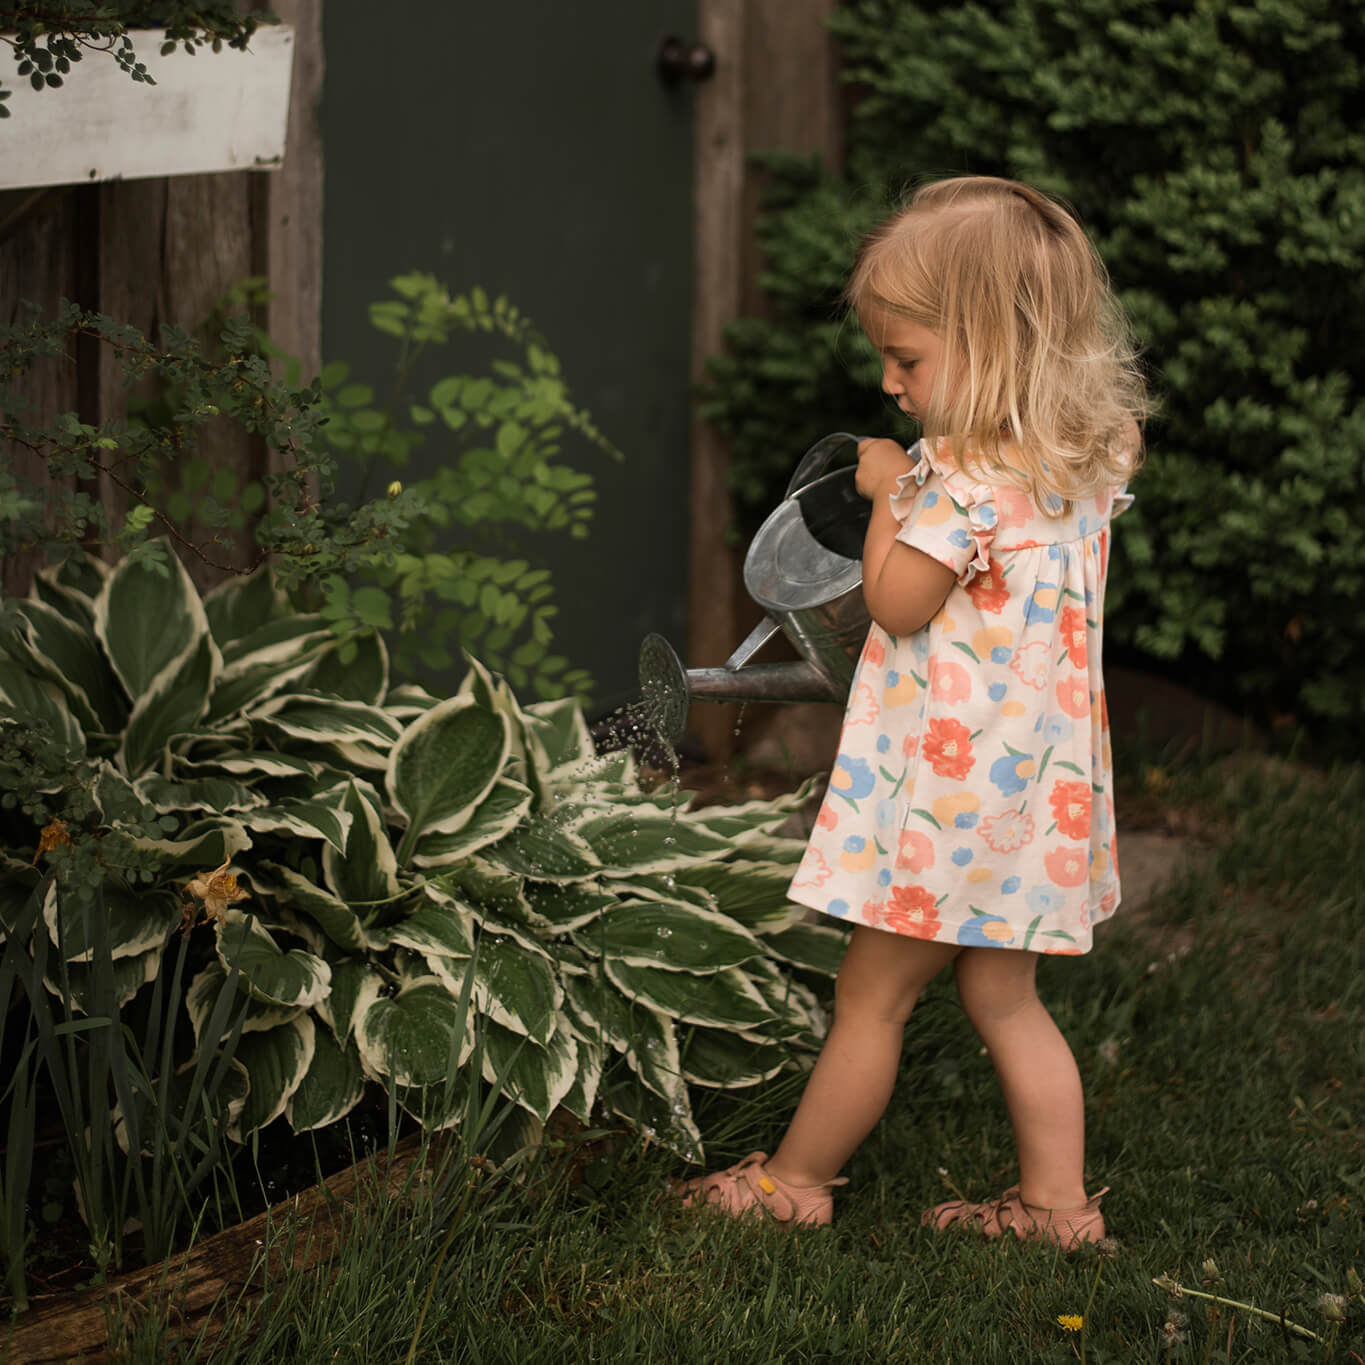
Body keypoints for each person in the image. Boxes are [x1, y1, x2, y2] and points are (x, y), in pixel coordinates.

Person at [677, 175, 1148, 1249]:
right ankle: (1058, 1211)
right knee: (1007, 1001)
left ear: (999, 347)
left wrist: (894, 494)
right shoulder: (1085, 457)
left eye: (910, 361)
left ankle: (794, 1183)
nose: (890, 386)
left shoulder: (960, 485)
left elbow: (896, 601)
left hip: (942, 809)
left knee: (871, 1001)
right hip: (1034, 800)